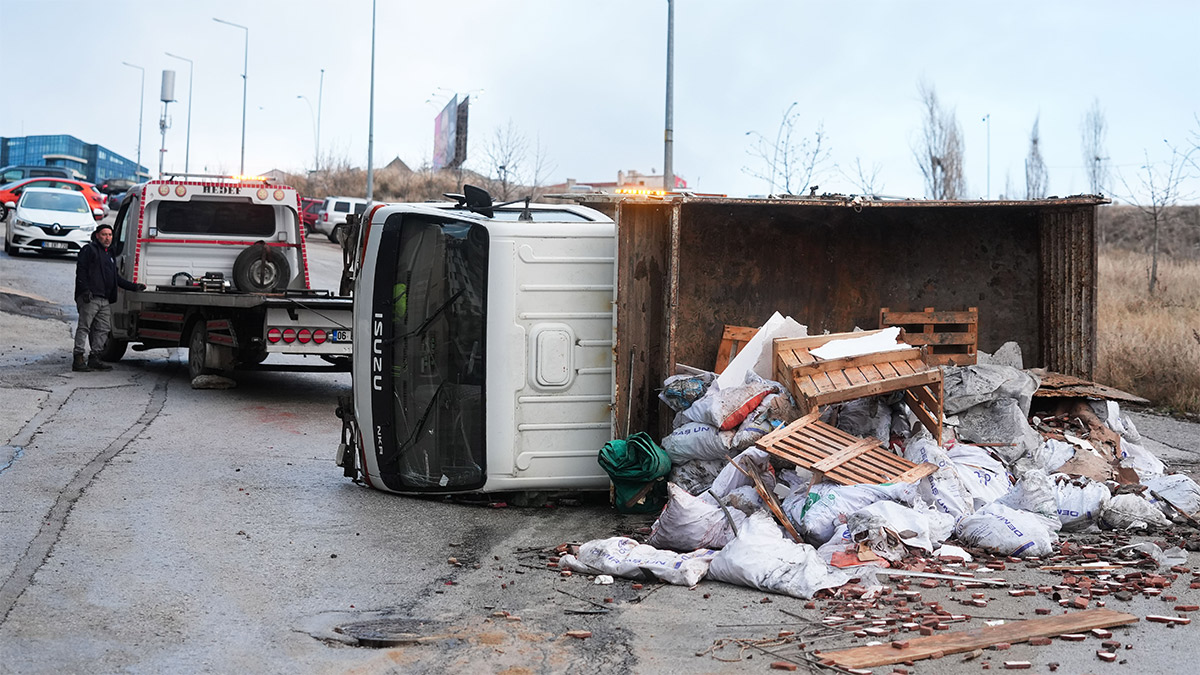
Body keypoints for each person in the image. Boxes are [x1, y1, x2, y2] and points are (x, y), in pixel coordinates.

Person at [73, 223, 145, 372]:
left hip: (104, 299)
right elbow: (81, 271)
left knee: (104, 328)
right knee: (84, 327)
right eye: (104, 234)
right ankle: (78, 358)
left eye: (110, 235)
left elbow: (116, 278)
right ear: (97, 235)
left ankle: (95, 357)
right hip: (90, 298)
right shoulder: (89, 250)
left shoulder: (110, 254)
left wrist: (134, 287)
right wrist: (85, 291)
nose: (107, 238)